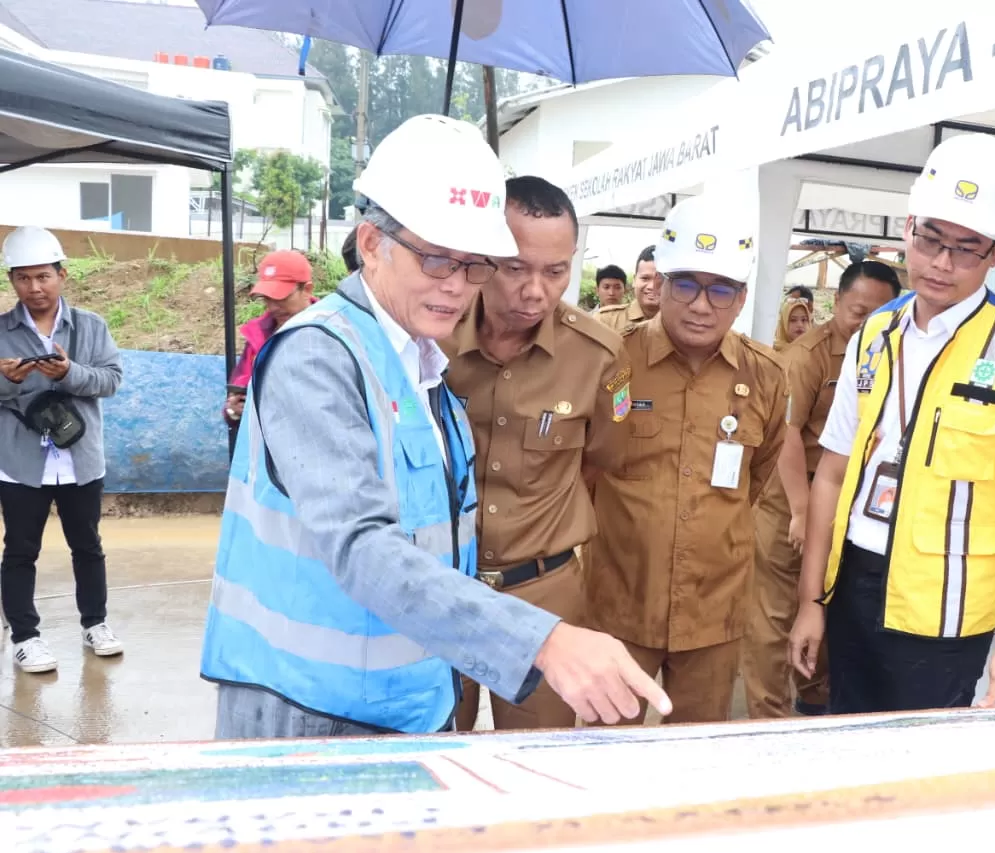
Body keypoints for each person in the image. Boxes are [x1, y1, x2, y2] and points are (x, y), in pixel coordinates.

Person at [200, 114, 670, 740]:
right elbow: (362, 547)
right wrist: (543, 641)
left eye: (473, 265)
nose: (456, 286)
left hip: (403, 698)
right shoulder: (319, 358)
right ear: (371, 243)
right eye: (435, 259)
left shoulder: (423, 366)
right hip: (311, 711)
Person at [788, 133, 995, 714]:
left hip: (946, 615)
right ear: (908, 228)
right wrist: (810, 600)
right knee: (844, 746)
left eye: (968, 248)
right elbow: (832, 475)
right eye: (932, 240)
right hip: (852, 588)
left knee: (918, 775)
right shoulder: (875, 333)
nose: (942, 264)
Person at [586, 193, 789, 724]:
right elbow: (585, 472)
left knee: (695, 758)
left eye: (720, 289)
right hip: (619, 606)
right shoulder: (614, 361)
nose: (702, 305)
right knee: (603, 749)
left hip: (712, 612)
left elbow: (759, 476)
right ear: (660, 286)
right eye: (686, 286)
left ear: (741, 298)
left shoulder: (766, 377)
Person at [441, 176, 632, 731]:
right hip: (440, 588)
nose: (536, 292)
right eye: (516, 267)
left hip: (543, 594)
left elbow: (600, 458)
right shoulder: (433, 337)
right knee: (431, 746)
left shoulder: (600, 355)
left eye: (556, 272)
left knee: (538, 757)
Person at [744, 260, 901, 719]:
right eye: (858, 311)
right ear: (836, 303)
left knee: (827, 612)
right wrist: (799, 511)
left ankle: (813, 707)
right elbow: (787, 436)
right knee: (774, 619)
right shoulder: (806, 356)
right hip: (792, 500)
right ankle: (767, 722)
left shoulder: (892, 352)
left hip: (849, 505)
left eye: (880, 314)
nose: (867, 324)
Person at [0, 226, 124, 673]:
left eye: (43, 277)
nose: (34, 288)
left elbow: (110, 380)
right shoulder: (1, 332)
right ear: (12, 281)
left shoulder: (91, 326)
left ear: (62, 274)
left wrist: (70, 372)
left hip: (81, 458)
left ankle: (96, 624)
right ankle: (26, 636)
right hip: (20, 463)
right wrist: (6, 381)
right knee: (19, 550)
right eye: (24, 278)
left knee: (87, 546)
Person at [223, 251, 316, 427]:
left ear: (307, 290)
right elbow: (238, 389)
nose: (273, 307)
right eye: (267, 298)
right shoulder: (257, 335)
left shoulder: (332, 333)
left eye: (281, 297)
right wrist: (234, 410)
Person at [597, 246, 662, 331]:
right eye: (645, 278)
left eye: (660, 280)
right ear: (634, 280)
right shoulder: (606, 320)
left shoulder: (679, 324)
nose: (651, 286)